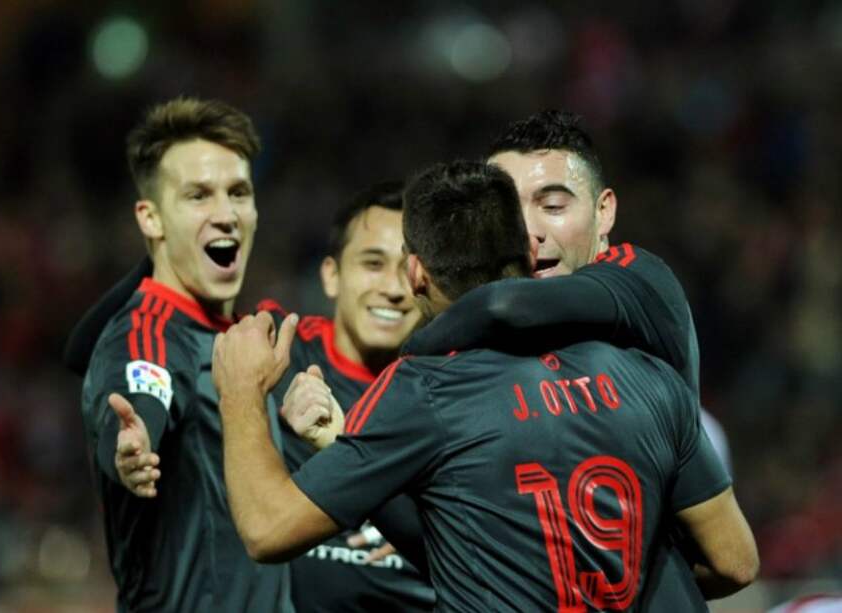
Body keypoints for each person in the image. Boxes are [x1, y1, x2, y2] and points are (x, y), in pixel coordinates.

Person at [211, 160, 759, 611]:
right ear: (526, 253)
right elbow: (736, 561)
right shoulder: (646, 373)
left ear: (416, 273)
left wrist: (239, 391)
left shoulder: (424, 390)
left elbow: (267, 529)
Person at [401, 110, 734, 606]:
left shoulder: (642, 282)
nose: (528, 232)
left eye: (553, 204)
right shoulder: (481, 348)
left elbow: (503, 305)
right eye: (507, 211)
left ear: (604, 212)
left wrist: (412, 352)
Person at [77, 97, 293, 612]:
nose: (225, 213)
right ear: (150, 218)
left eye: (238, 192)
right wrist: (131, 445)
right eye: (198, 196)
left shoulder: (239, 336)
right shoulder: (146, 329)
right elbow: (139, 392)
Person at [257, 182, 435, 611]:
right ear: (332, 275)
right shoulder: (278, 351)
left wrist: (418, 530)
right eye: (373, 263)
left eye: (408, 268)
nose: (393, 288)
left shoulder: (450, 384)